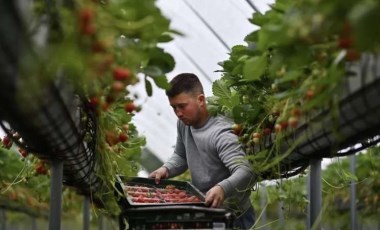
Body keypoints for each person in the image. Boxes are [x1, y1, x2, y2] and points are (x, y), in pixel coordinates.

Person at [149, 73, 256, 229]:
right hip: (204, 209)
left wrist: (222, 188)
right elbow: (181, 155)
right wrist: (166, 169)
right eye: (174, 107)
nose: (178, 113)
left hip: (233, 216)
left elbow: (246, 170)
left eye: (182, 106)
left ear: (200, 100)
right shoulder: (184, 124)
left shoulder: (221, 133)